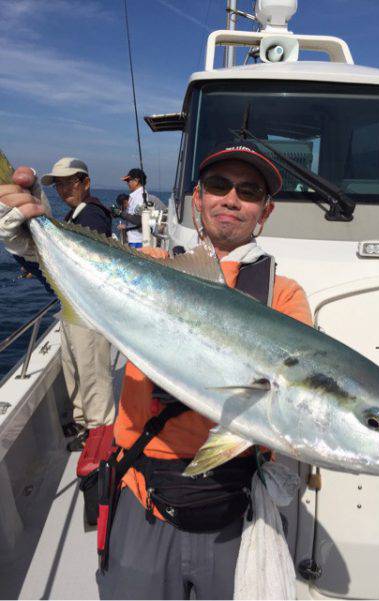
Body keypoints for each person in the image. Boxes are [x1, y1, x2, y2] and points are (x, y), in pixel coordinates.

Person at [0, 143, 312, 598]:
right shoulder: (152, 266)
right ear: (197, 199)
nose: (231, 198)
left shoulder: (283, 296)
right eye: (219, 186)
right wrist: (28, 234)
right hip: (141, 490)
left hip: (231, 503)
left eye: (249, 191)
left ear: (265, 211)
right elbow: (73, 276)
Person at [0, 157, 115, 451]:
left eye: (69, 182)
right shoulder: (71, 216)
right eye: (59, 184)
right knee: (74, 366)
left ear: (85, 183)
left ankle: (100, 433)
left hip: (89, 312)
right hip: (72, 308)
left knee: (92, 372)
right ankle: (81, 420)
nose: (63, 189)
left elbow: (78, 258)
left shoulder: (92, 215)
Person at [120, 168, 165, 248]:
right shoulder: (135, 196)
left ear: (136, 181)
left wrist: (121, 213)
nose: (127, 183)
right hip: (134, 240)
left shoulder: (140, 197)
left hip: (137, 242)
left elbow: (138, 219)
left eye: (129, 180)